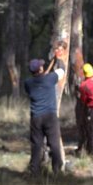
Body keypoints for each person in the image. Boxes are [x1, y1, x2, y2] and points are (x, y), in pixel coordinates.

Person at [24, 44, 66, 175]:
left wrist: (48, 67)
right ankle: (57, 170)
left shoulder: (28, 83)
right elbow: (62, 70)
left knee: (37, 145)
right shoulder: (50, 78)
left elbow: (42, 77)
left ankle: (34, 171)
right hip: (50, 117)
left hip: (36, 117)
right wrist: (58, 59)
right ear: (40, 68)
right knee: (54, 144)